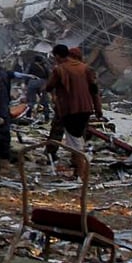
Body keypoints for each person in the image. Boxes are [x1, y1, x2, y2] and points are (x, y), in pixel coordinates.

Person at [44, 45, 101, 177]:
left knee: (75, 143)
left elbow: (49, 86)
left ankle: (81, 173)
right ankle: (77, 169)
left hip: (69, 109)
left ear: (57, 56)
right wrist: (98, 109)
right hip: (86, 109)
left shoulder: (60, 69)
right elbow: (94, 90)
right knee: (78, 138)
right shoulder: (85, 68)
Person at [25, 55, 51, 119]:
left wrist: (26, 83)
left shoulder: (30, 65)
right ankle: (46, 116)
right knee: (44, 100)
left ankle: (28, 116)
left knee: (31, 100)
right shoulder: (44, 66)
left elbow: (26, 74)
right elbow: (48, 74)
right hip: (42, 83)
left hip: (32, 82)